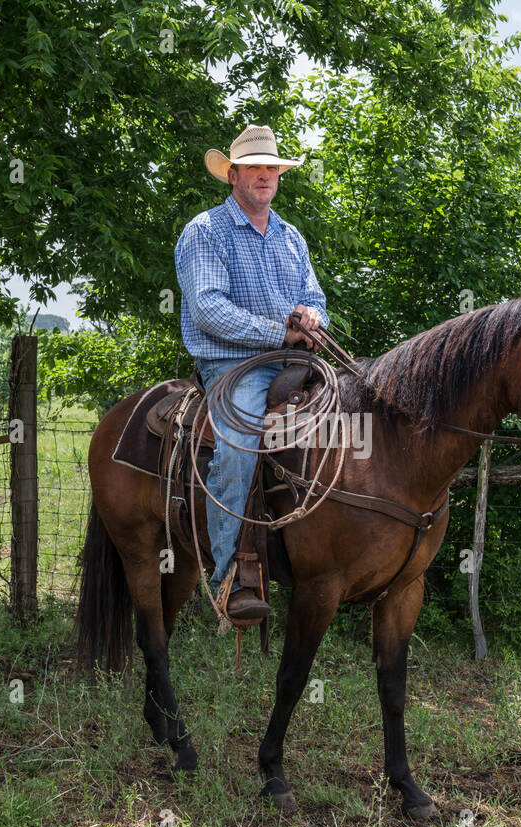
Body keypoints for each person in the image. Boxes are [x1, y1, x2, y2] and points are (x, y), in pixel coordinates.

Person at [174, 124, 328, 622]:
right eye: (254, 168)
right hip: (233, 363)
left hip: (296, 359)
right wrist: (278, 332)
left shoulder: (290, 236)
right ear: (233, 175)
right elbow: (208, 310)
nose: (265, 175)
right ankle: (226, 580)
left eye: (272, 168)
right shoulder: (205, 231)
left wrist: (311, 317)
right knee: (240, 443)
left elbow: (316, 296)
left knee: (358, 415)